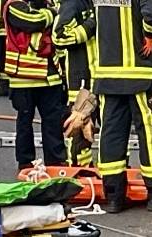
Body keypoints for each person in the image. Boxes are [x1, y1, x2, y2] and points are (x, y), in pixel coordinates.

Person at [83, 0, 152, 213]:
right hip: (140, 76)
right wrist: (150, 37)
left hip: (106, 76)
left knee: (111, 134)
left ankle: (114, 196)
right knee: (151, 135)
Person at [3, 0, 67, 169]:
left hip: (49, 77)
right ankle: (25, 163)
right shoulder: (14, 5)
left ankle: (55, 161)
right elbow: (33, 22)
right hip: (24, 78)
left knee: (53, 121)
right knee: (25, 122)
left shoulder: (47, 3)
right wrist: (51, 13)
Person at [52, 0, 94, 166]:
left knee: (110, 127)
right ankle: (79, 170)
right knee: (79, 128)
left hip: (103, 75)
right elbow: (60, 37)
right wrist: (91, 24)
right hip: (81, 75)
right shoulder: (73, 4)